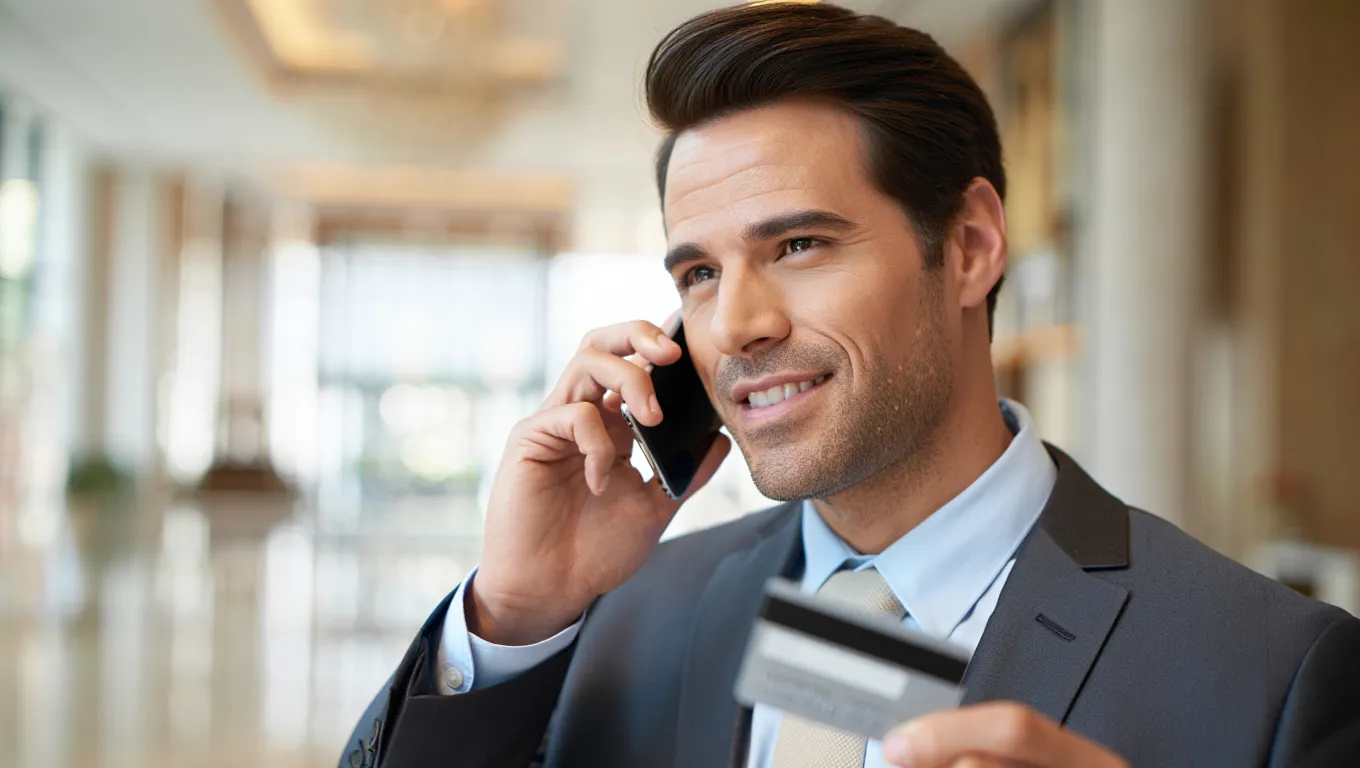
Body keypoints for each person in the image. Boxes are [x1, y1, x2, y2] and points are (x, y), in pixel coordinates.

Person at [340, 4, 1360, 767]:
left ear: (966, 246)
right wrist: (515, 615)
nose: (735, 325)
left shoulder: (1272, 671)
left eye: (798, 244)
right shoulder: (624, 611)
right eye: (697, 273)